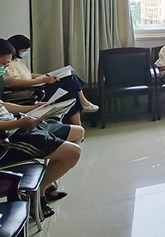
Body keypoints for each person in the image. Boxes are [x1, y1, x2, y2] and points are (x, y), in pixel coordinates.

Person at [0, 39, 83, 218]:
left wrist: (33, 108)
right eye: (3, 64)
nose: (5, 68)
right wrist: (20, 123)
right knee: (73, 153)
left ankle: (45, 184)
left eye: (7, 64)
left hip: (18, 124)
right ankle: (37, 192)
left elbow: (3, 105)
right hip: (7, 138)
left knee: (78, 132)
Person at [4, 35, 97, 126]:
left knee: (70, 87)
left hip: (36, 86)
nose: (25, 53)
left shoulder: (18, 60)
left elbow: (29, 75)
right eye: (24, 50)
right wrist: (42, 81)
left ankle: (77, 122)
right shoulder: (7, 63)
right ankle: (82, 107)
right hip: (29, 92)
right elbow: (12, 82)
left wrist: (48, 76)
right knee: (70, 82)